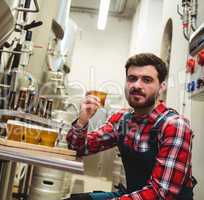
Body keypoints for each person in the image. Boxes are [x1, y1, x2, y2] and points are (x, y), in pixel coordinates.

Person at [65, 53, 196, 200]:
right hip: (131, 195)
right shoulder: (122, 120)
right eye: (132, 78)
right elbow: (79, 149)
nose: (137, 85)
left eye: (147, 80)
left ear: (161, 87)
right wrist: (82, 121)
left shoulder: (174, 126)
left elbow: (161, 194)